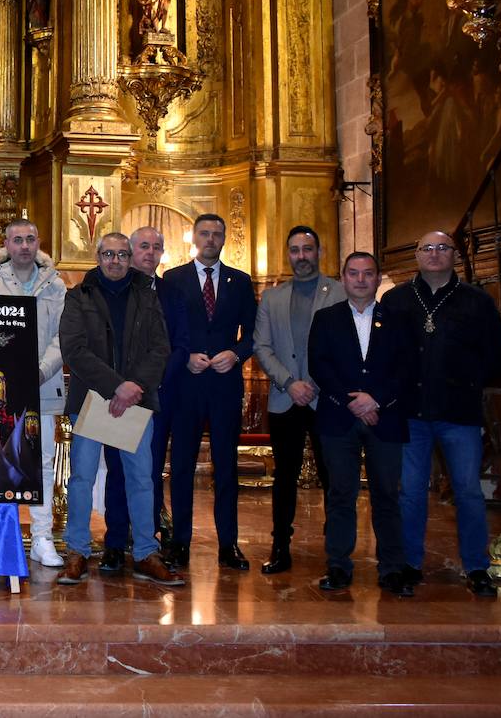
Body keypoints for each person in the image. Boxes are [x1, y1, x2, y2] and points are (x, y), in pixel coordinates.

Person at [382, 230, 501, 598]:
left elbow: (496, 354)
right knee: (411, 492)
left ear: (454, 254)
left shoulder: (477, 301)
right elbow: (384, 354)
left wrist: (468, 383)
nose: (434, 254)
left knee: (468, 491)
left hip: (459, 413)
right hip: (410, 413)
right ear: (416, 256)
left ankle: (476, 566)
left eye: (442, 248)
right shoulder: (396, 299)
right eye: (426, 248)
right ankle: (409, 563)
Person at [56, 232, 183, 587]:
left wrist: (132, 388)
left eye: (122, 254)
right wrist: (117, 386)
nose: (115, 260)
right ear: (98, 257)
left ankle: (145, 552)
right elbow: (74, 349)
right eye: (108, 254)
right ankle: (77, 551)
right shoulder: (78, 296)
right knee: (80, 480)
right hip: (92, 398)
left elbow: (160, 348)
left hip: (136, 400)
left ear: (130, 258)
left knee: (143, 480)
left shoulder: (147, 295)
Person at [308, 252, 414, 597]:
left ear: (378, 278)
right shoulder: (326, 319)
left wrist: (376, 400)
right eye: (353, 273)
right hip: (340, 418)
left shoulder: (398, 319)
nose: (360, 279)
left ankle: (393, 568)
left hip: (386, 418)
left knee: (387, 495)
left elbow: (406, 368)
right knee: (341, 494)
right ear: (343, 278)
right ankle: (338, 564)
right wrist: (354, 401)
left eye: (368, 274)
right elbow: (319, 366)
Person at [162, 213, 256, 572]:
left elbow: (252, 333)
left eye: (217, 234)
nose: (211, 239)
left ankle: (228, 544)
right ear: (194, 237)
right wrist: (184, 358)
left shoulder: (240, 281)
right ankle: (179, 542)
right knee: (182, 466)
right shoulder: (173, 280)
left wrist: (236, 354)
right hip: (185, 387)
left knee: (227, 469)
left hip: (224, 385)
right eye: (205, 233)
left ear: (224, 239)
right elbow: (165, 333)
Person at [251, 225, 344, 574]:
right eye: (295, 250)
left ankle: (337, 551)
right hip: (284, 398)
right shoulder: (273, 298)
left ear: (318, 252)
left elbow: (343, 346)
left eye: (307, 249)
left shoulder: (338, 291)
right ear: (287, 254)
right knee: (284, 478)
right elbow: (261, 346)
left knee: (332, 476)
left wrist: (315, 384)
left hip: (326, 399)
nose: (301, 256)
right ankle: (280, 547)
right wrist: (290, 382)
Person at [0, 220, 67, 568]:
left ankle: (42, 537)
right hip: (2, 387)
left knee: (41, 462)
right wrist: (9, 372)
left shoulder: (56, 285)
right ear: (7, 244)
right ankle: (3, 537)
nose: (24, 246)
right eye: (17, 240)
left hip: (43, 384)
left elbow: (64, 336)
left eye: (30, 239)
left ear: (38, 242)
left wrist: (41, 369)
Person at [99, 226, 189, 572]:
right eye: (142, 247)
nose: (149, 253)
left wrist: (150, 384)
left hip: (156, 396)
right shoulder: (112, 291)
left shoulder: (173, 294)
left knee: (148, 473)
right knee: (118, 473)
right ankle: (115, 542)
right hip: (119, 398)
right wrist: (124, 386)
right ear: (129, 251)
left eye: (156, 247)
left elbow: (180, 344)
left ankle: (146, 544)